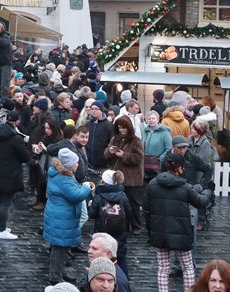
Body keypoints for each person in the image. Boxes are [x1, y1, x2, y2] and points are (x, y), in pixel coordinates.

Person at [143, 151, 212, 292]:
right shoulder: (184, 186)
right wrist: (208, 190)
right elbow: (200, 202)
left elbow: (146, 210)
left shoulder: (152, 184)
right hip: (181, 232)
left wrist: (151, 230)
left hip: (160, 231)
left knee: (163, 268)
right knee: (187, 267)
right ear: (179, 168)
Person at [44, 147, 94, 284]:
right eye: (76, 162)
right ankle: (55, 276)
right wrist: (85, 187)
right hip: (62, 217)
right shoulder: (64, 178)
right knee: (59, 248)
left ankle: (59, 272)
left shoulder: (60, 175)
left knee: (61, 247)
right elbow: (75, 195)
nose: (78, 164)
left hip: (59, 215)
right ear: (70, 165)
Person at [0, 110, 31, 240]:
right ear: (16, 122)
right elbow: (25, 157)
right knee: (5, 202)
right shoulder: (16, 138)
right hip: (10, 173)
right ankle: (1, 229)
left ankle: (0, 226)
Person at [104, 116, 145, 233]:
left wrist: (124, 155)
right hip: (117, 177)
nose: (122, 130)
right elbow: (106, 156)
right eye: (119, 128)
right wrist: (110, 152)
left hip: (132, 178)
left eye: (124, 128)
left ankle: (136, 225)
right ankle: (123, 225)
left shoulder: (136, 140)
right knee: (119, 203)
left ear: (129, 128)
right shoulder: (114, 139)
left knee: (133, 203)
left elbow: (139, 157)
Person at [87, 171, 132, 277]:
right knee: (120, 258)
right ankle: (123, 283)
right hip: (119, 231)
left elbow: (92, 214)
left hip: (102, 231)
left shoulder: (99, 196)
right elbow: (129, 213)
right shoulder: (122, 195)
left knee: (100, 260)